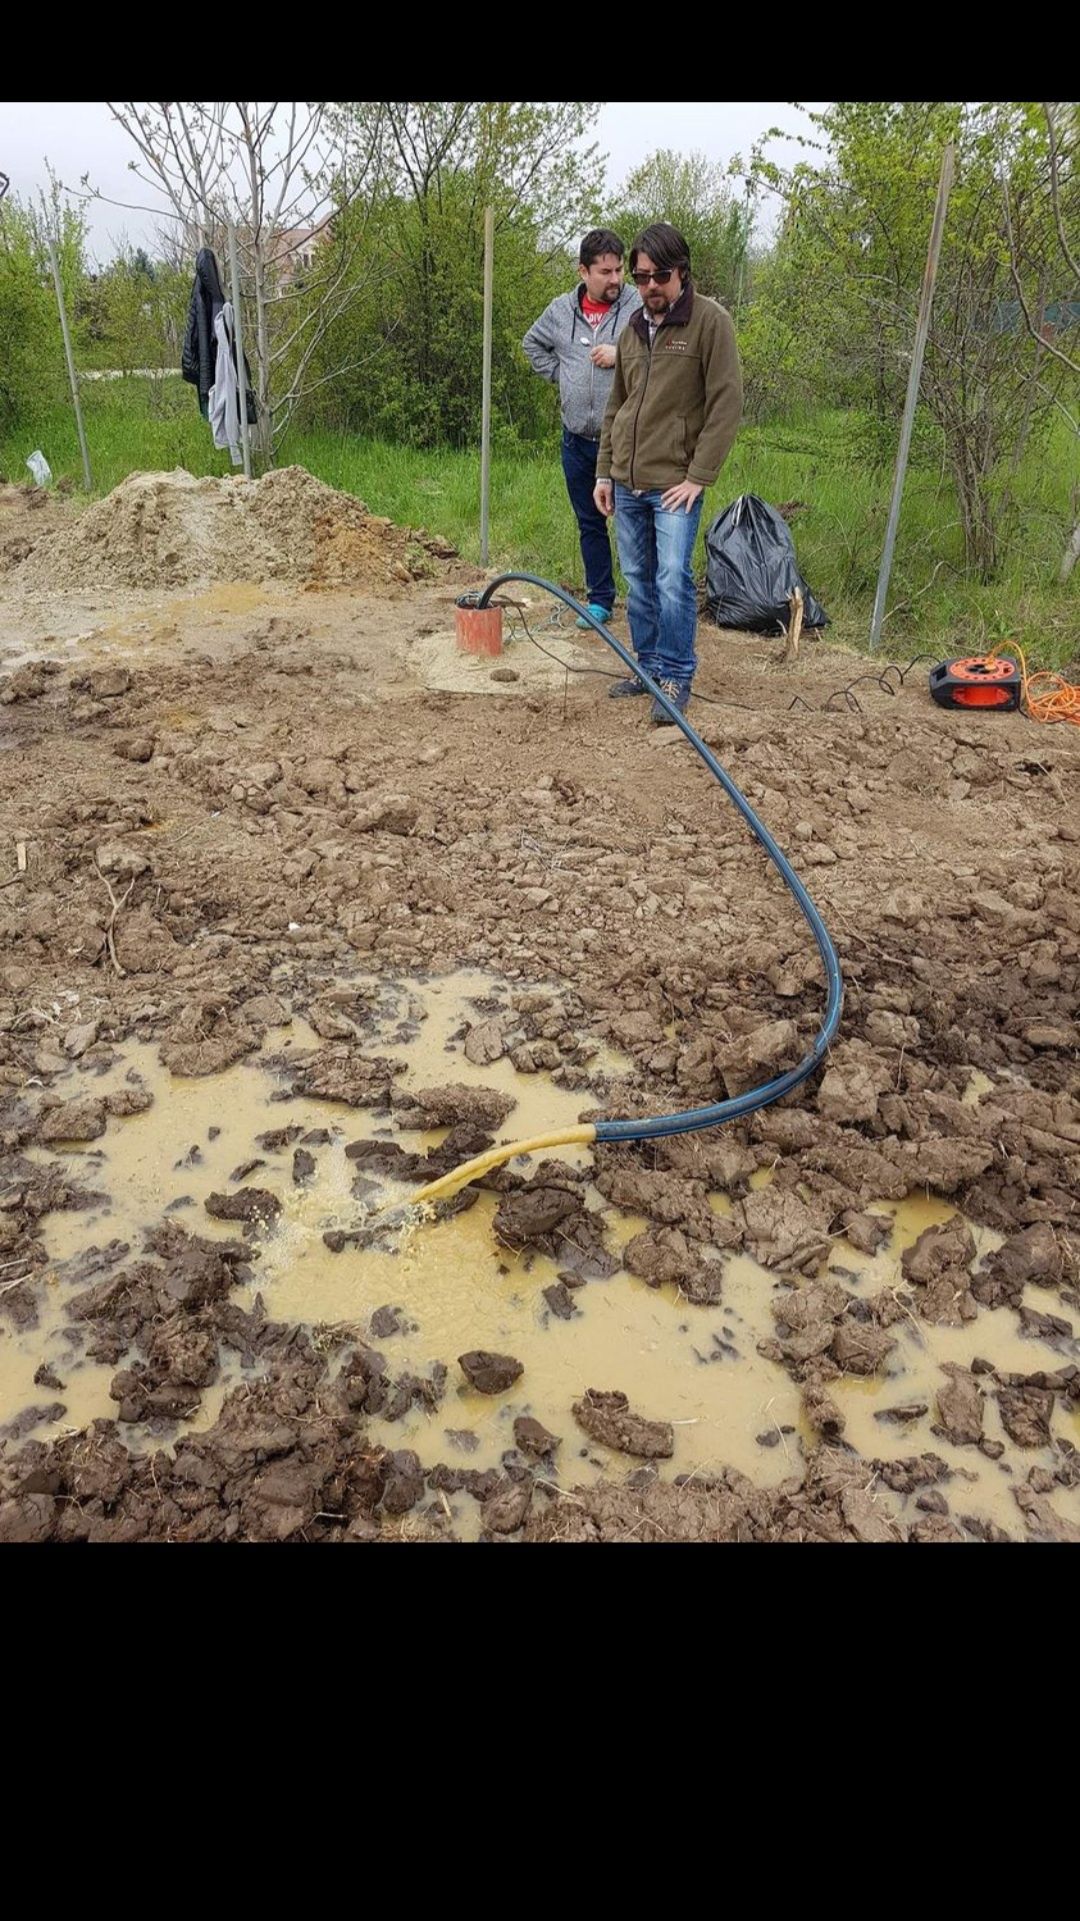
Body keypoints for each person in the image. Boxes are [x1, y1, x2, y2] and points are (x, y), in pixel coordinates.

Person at [594, 222, 742, 723]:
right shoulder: (632, 328)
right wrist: (604, 474)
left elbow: (726, 405)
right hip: (627, 482)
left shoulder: (710, 323)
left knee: (672, 579)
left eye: (658, 276)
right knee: (637, 580)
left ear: (681, 272)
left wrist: (698, 477)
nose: (649, 286)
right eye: (640, 277)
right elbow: (618, 406)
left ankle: (676, 676)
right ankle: (649, 666)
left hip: (675, 485)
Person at [523, 229, 641, 628]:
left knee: (632, 523)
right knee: (590, 523)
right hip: (576, 441)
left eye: (619, 269)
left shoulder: (636, 306)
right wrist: (564, 376)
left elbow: (659, 349)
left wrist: (621, 353)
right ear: (583, 271)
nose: (615, 279)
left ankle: (644, 601)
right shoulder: (560, 310)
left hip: (626, 442)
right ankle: (600, 600)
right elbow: (531, 345)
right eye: (605, 271)